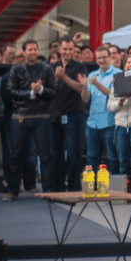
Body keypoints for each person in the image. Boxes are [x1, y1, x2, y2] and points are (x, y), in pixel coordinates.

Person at [4, 40, 57, 201]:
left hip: (42, 117)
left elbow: (54, 92)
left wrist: (40, 89)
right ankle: (12, 191)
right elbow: (11, 91)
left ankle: (48, 190)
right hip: (21, 116)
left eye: (35, 49)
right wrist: (31, 93)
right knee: (15, 154)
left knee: (45, 155)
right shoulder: (16, 69)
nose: (33, 52)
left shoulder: (47, 69)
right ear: (24, 52)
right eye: (30, 49)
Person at [51, 37, 87, 192]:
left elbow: (81, 88)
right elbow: (46, 88)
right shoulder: (51, 67)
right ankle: (58, 188)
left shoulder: (80, 67)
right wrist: (55, 77)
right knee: (56, 153)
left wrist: (64, 77)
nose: (67, 52)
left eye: (70, 49)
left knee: (74, 153)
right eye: (64, 49)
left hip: (74, 115)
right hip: (55, 116)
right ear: (59, 49)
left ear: (74, 50)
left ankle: (73, 188)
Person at [81, 46, 119, 174]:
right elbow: (86, 99)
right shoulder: (93, 75)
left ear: (110, 57)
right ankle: (93, 188)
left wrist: (96, 84)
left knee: (112, 157)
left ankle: (114, 190)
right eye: (99, 58)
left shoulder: (118, 73)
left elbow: (114, 95)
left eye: (104, 57)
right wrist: (85, 87)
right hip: (92, 123)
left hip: (110, 123)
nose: (102, 60)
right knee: (91, 158)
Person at [108, 55, 131, 187]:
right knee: (123, 161)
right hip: (121, 126)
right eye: (128, 62)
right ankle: (126, 193)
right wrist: (120, 102)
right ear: (124, 66)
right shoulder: (117, 82)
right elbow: (110, 106)